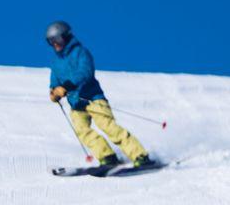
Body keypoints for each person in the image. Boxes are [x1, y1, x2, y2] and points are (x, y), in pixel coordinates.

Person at [45, 20, 152, 173]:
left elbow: (85, 73)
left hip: (93, 98)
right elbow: (54, 81)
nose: (55, 44)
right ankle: (108, 157)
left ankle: (140, 156)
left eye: (58, 39)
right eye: (51, 42)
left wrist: (67, 86)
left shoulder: (80, 52)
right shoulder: (56, 62)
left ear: (66, 37)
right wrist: (53, 92)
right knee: (83, 131)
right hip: (76, 104)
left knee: (108, 127)